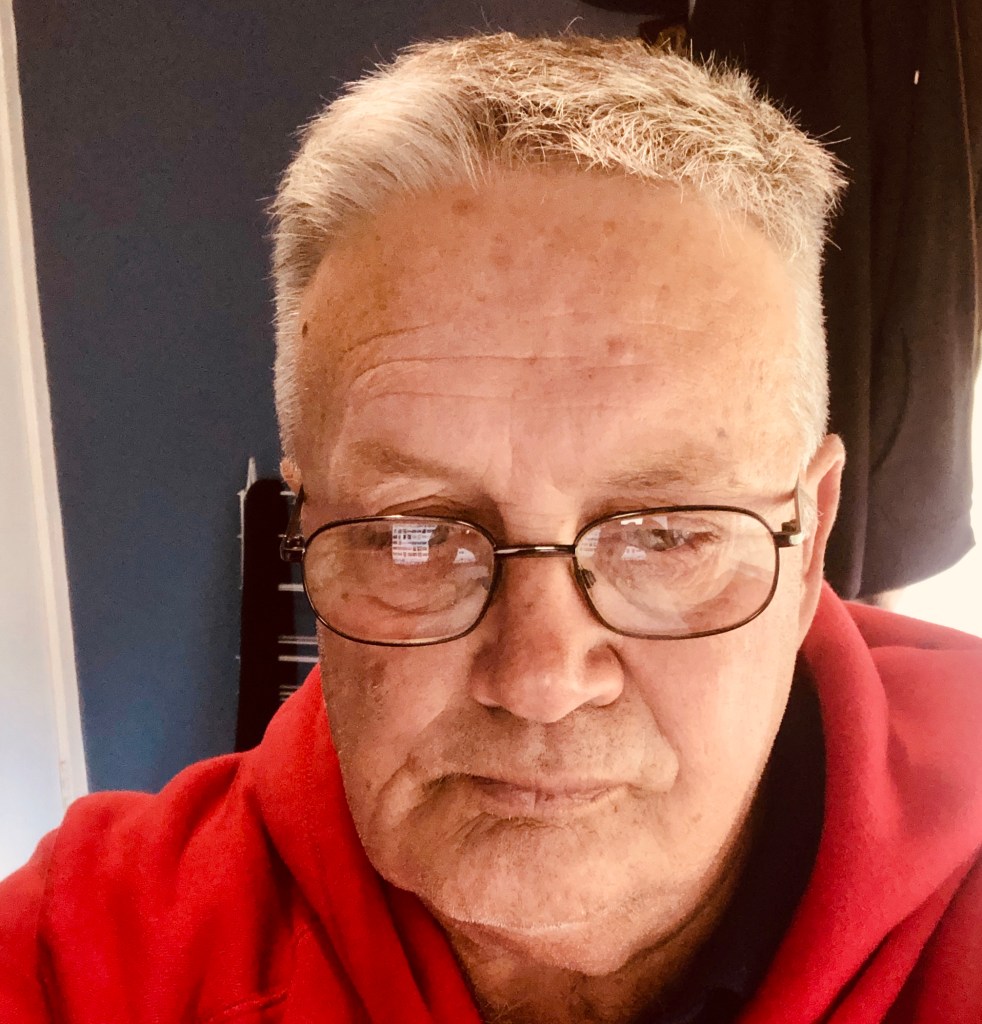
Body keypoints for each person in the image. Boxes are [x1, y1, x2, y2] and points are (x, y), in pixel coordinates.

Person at [2, 32, 981, 1024]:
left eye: (664, 533)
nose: (539, 682)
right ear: (315, 538)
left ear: (808, 541)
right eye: (416, 533)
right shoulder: (84, 954)